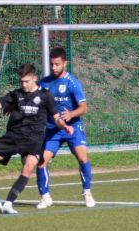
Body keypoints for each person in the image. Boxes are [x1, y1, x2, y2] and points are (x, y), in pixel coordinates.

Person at [0, 63, 73, 214]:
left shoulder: (46, 96)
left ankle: (8, 203)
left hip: (33, 140)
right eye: (21, 81)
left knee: (28, 167)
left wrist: (65, 126)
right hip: (13, 137)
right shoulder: (16, 95)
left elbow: (56, 118)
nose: (24, 84)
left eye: (27, 81)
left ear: (35, 78)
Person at [36, 47, 95, 209]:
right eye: (52, 64)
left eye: (57, 64)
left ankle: (87, 192)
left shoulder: (72, 82)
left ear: (65, 63)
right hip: (52, 129)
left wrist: (71, 114)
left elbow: (84, 108)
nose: (54, 67)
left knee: (83, 158)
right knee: (41, 162)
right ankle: (45, 197)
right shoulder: (44, 82)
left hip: (73, 127)